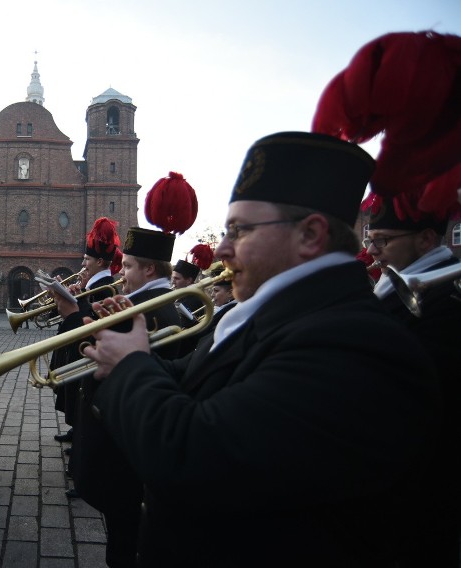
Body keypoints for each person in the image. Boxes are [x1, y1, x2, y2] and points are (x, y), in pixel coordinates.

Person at [82, 131, 442, 566]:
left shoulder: (354, 340)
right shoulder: (281, 313)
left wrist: (131, 366)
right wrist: (122, 352)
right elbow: (199, 383)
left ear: (310, 235)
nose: (222, 248)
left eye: (240, 230)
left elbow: (194, 459)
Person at [61, 173, 193, 567]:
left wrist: (73, 319)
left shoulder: (143, 312)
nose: (122, 273)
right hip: (135, 451)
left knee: (122, 543)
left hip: (123, 454)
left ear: (150, 270)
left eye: (130, 265)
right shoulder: (167, 305)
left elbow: (96, 361)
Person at [363, 194, 461, 567]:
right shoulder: (394, 283)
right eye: (372, 239)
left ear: (424, 239)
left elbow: (422, 385)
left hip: (420, 484)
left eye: (383, 240)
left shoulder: (447, 298)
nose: (372, 250)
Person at [48, 217, 121, 487]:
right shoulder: (95, 285)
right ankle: (78, 444)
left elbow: (92, 327)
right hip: (82, 356)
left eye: (87, 260)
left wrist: (72, 309)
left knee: (85, 411)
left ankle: (83, 466)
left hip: (89, 360)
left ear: (100, 262)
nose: (83, 264)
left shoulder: (106, 288)